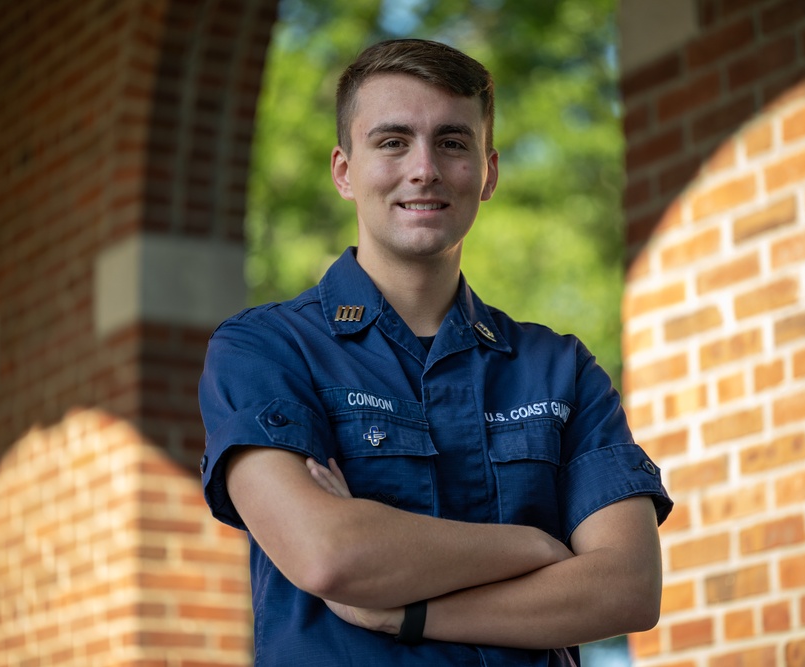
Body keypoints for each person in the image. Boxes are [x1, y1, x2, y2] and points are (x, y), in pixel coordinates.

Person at [198, 38, 673, 666]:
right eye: (392, 141)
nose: (424, 168)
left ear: (489, 171)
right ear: (344, 171)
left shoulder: (560, 370)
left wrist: (406, 613)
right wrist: (532, 547)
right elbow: (328, 554)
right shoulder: (265, 350)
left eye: (452, 142)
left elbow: (628, 589)